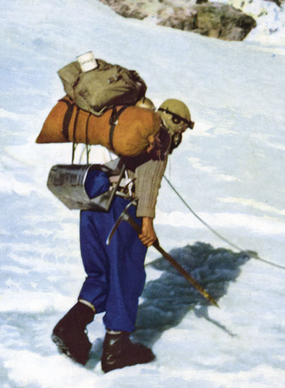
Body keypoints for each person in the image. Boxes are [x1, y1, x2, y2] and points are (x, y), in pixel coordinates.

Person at [51, 98, 194, 372]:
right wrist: (147, 223)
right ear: (174, 120)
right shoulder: (158, 135)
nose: (180, 136)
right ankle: (116, 351)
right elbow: (148, 183)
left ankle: (71, 326)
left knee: (100, 273)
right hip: (121, 211)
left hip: (93, 203)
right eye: (183, 129)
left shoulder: (126, 127)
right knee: (125, 275)